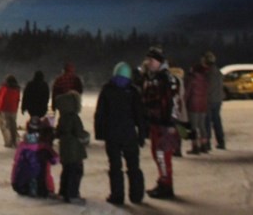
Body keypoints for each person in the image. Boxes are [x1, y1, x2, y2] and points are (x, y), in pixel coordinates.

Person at [94, 61, 146, 205]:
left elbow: (100, 114)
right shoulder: (133, 91)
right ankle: (136, 195)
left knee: (115, 166)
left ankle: (117, 196)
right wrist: (142, 134)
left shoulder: (107, 89)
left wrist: (100, 133)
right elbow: (140, 115)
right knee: (134, 165)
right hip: (129, 133)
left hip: (112, 134)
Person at [141, 45, 180, 199]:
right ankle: (163, 181)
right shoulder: (152, 77)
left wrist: (170, 122)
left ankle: (167, 185)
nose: (149, 62)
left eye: (151, 59)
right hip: (155, 123)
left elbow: (174, 101)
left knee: (162, 155)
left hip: (164, 124)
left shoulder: (167, 78)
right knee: (157, 154)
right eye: (148, 59)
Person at [54, 90, 89, 204]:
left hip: (65, 149)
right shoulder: (74, 118)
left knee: (67, 171)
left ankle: (63, 192)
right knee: (76, 172)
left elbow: (58, 132)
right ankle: (73, 194)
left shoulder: (62, 118)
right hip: (74, 150)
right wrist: (86, 136)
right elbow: (79, 132)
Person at [11, 116, 59, 198]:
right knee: (42, 169)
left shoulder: (22, 146)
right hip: (41, 189)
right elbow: (55, 160)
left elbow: (16, 163)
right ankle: (41, 189)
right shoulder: (44, 147)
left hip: (21, 186)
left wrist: (14, 183)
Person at [184, 57, 210, 154]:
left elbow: (187, 92)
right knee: (202, 125)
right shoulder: (205, 79)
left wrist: (184, 102)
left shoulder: (192, 79)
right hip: (203, 105)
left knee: (193, 127)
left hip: (193, 104)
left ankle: (195, 146)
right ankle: (204, 145)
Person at [203, 51, 226, 150]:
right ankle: (221, 141)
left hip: (209, 100)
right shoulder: (218, 72)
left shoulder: (207, 73)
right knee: (217, 121)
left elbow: (206, 87)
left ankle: (207, 143)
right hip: (218, 99)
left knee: (207, 122)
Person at [0, 74, 21, 148]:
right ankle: (15, 141)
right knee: (13, 126)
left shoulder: (4, 88)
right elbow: (18, 100)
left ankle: (8, 142)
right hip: (13, 109)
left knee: (4, 126)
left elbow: (1, 99)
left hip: (4, 109)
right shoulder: (17, 89)